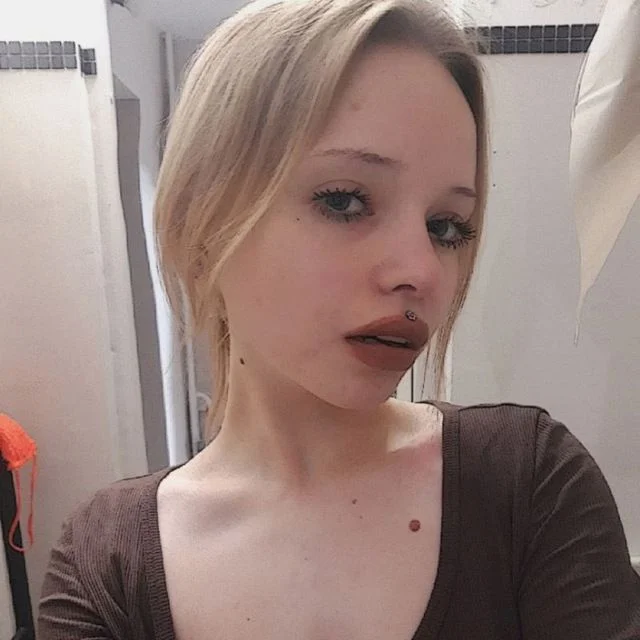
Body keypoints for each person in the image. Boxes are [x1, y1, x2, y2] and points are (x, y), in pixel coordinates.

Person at [38, 0, 640, 638]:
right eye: (346, 201)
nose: (422, 270)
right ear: (202, 218)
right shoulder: (105, 567)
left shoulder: (529, 483)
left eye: (446, 227)